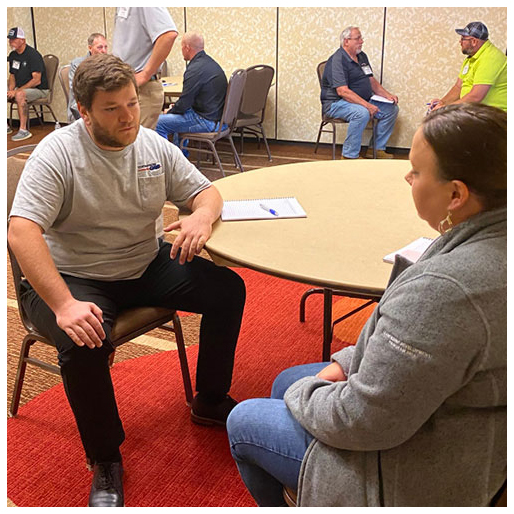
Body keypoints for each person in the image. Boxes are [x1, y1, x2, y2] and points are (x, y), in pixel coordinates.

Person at [226, 103, 506, 507]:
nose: (407, 177)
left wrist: (309, 392)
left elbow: (366, 421)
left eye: (416, 171)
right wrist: (344, 362)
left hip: (433, 465)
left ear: (456, 194)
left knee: (247, 419)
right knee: (286, 381)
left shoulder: (444, 291)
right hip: (472, 417)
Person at [8, 54, 246, 508]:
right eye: (112, 108)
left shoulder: (152, 145)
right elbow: (21, 231)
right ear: (83, 110)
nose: (128, 116)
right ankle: (105, 459)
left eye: (132, 104)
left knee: (227, 288)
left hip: (144, 264)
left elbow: (207, 192)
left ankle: (210, 401)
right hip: (75, 276)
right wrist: (63, 304)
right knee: (84, 340)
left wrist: (201, 216)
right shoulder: (58, 152)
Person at [321, 26, 399, 160]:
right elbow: (343, 91)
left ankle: (376, 148)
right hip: (336, 103)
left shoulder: (362, 56)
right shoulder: (337, 60)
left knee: (391, 109)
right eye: (358, 38)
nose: (362, 41)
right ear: (346, 41)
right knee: (361, 113)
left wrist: (387, 95)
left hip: (360, 100)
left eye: (361, 38)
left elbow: (371, 81)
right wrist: (367, 106)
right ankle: (349, 156)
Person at [155, 32, 227, 154]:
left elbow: (184, 105)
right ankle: (181, 156)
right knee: (178, 115)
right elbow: (186, 103)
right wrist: (175, 109)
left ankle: (169, 161)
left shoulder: (194, 69)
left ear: (187, 48)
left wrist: (169, 111)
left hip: (206, 121)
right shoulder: (210, 64)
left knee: (158, 123)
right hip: (219, 120)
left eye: (182, 47)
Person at [112, 7, 178, 130]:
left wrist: (145, 74)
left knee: (136, 145)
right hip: (127, 86)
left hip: (142, 90)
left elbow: (168, 35)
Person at [429, 22, 506, 112]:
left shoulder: (491, 58)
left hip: (495, 117)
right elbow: (458, 87)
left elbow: (476, 96)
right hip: (477, 113)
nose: (460, 42)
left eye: (463, 39)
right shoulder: (471, 58)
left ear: (474, 41)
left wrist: (445, 109)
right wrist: (442, 103)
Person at [7, 27, 49, 142]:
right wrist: (10, 89)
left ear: (23, 40)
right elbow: (12, 75)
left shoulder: (33, 55)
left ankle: (23, 130)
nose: (11, 42)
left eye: (14, 39)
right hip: (20, 87)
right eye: (10, 39)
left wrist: (16, 91)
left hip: (39, 89)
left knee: (20, 94)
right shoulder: (13, 55)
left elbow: (37, 80)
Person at [67, 33, 108, 122]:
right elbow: (78, 92)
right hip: (80, 109)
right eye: (100, 47)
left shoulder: (108, 64)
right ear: (90, 48)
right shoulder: (78, 65)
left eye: (106, 47)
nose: (104, 51)